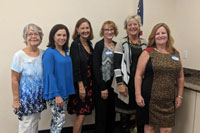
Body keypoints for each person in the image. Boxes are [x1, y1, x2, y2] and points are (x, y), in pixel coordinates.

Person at [135, 23, 184, 133]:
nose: (160, 35)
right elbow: (138, 75)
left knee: (167, 130)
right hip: (149, 98)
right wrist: (138, 95)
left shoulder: (175, 54)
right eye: (157, 33)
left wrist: (180, 96)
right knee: (149, 128)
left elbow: (180, 77)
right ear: (153, 36)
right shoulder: (147, 52)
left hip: (168, 100)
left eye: (163, 33)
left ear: (168, 35)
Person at [112, 15, 146, 133]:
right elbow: (116, 65)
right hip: (125, 83)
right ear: (126, 28)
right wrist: (120, 84)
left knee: (140, 116)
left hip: (140, 84)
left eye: (135, 24)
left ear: (139, 26)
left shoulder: (145, 43)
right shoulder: (121, 43)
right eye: (129, 25)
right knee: (125, 118)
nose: (132, 27)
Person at [11, 24, 46, 133]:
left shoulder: (43, 54)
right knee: (26, 127)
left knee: (35, 124)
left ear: (40, 37)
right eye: (30, 34)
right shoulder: (19, 56)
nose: (33, 37)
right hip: (25, 100)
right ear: (25, 37)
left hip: (39, 98)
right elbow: (14, 79)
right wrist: (16, 101)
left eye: (36, 34)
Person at [42, 24, 75, 133]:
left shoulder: (65, 51)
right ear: (53, 36)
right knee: (60, 119)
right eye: (59, 35)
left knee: (57, 119)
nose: (62, 38)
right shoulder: (49, 53)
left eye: (64, 35)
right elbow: (49, 74)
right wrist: (57, 95)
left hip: (64, 91)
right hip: (56, 93)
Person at [67, 18, 94, 133]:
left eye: (87, 28)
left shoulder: (89, 43)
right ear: (77, 30)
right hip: (81, 85)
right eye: (82, 28)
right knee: (81, 114)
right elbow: (75, 67)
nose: (85, 30)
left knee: (83, 113)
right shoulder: (75, 45)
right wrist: (81, 86)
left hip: (90, 83)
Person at [93, 20, 118, 133]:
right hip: (102, 84)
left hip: (114, 85)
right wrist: (103, 87)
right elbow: (96, 67)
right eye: (106, 29)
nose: (109, 32)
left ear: (115, 31)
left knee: (111, 113)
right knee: (101, 115)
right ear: (103, 31)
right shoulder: (99, 45)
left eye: (111, 29)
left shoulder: (117, 45)